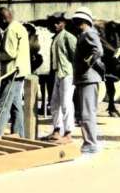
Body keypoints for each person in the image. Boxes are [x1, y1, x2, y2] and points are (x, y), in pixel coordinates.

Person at [0, 7, 30, 137]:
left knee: (3, 105)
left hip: (11, 72)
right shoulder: (19, 27)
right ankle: (19, 135)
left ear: (4, 19)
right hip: (20, 71)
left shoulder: (10, 30)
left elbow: (10, 53)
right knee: (16, 106)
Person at [72, 7, 104, 154]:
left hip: (87, 78)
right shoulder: (84, 34)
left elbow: (97, 50)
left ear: (85, 22)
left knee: (87, 113)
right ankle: (89, 142)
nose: (76, 24)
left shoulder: (89, 33)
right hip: (85, 78)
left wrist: (86, 65)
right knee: (85, 112)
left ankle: (90, 143)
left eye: (78, 21)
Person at [45, 12, 77, 143]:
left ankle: (68, 133)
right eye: (54, 22)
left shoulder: (69, 37)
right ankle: (57, 130)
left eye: (58, 22)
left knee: (66, 103)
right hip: (58, 73)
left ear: (64, 23)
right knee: (54, 103)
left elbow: (75, 57)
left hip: (67, 74)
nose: (55, 24)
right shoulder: (55, 37)